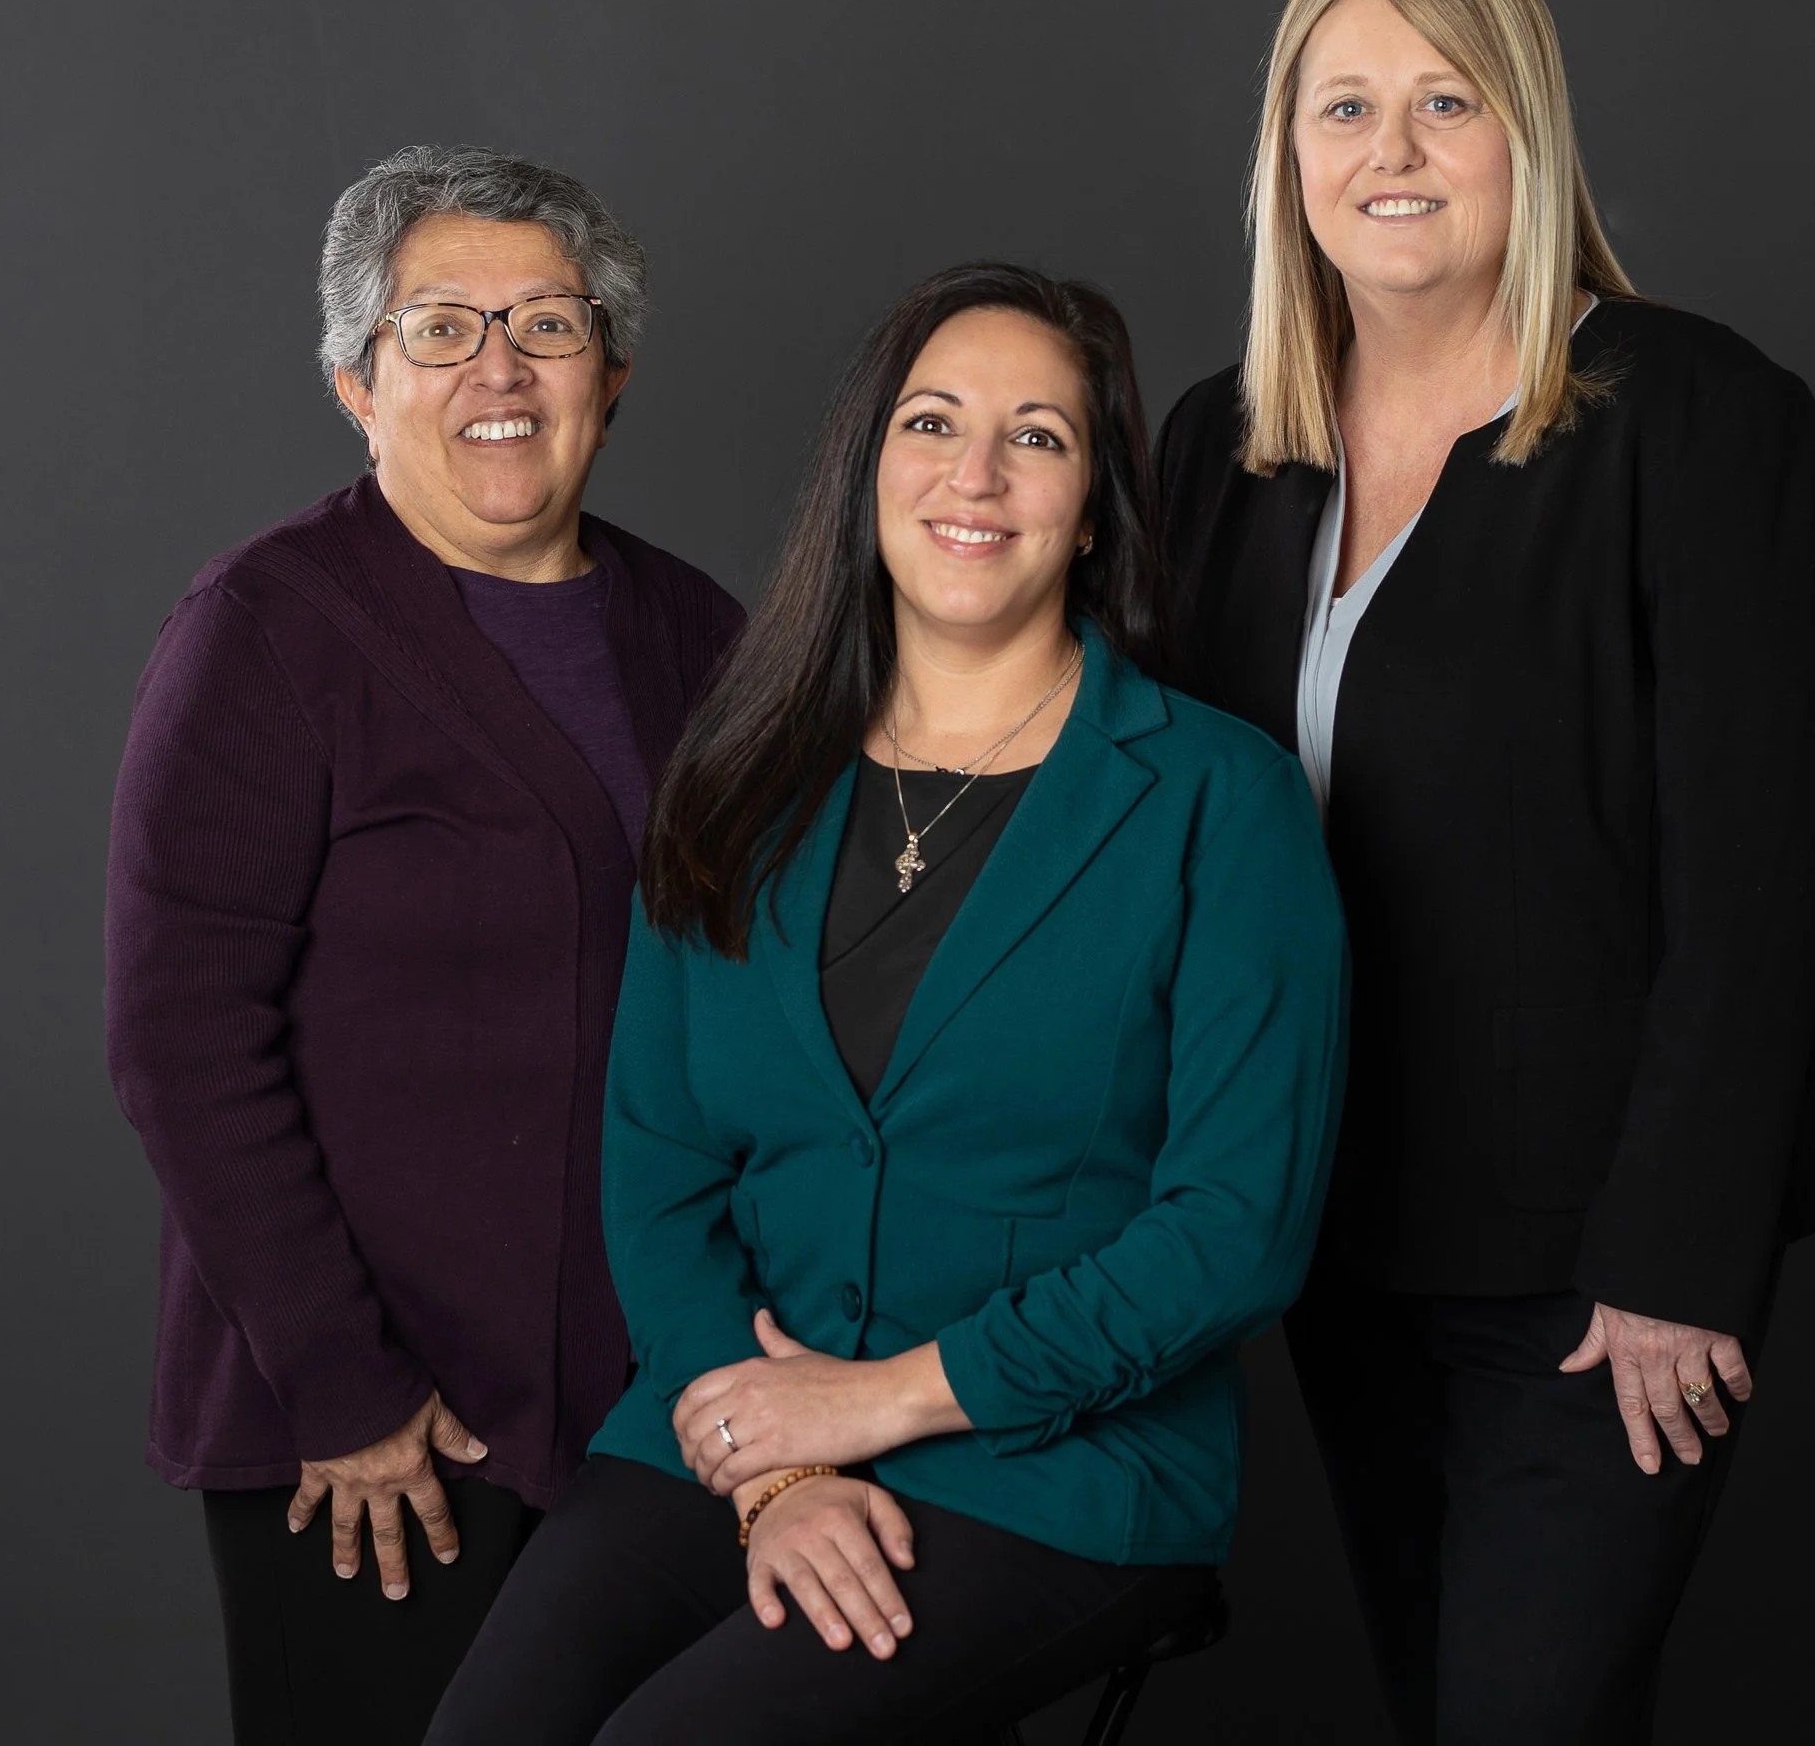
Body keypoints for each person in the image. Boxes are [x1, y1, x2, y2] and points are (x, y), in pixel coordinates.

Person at [427, 264, 1348, 1744]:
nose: (974, 476)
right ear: (869, 472)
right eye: (933, 424)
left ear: (1099, 502)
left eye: (1038, 437)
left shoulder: (1217, 804)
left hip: (1056, 1464)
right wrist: (782, 1464)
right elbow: (659, 1178)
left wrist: (889, 1403)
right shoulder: (737, 785)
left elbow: (1237, 1229)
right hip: (739, 1425)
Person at [1154, 0, 1815, 1741]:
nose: (1391, 151)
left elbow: (1763, 879)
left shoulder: (1692, 417)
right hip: (1333, 1227)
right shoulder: (1222, 448)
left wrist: (1678, 1259)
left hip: (1599, 1263)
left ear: (1526, 134)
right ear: (1286, 155)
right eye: (1347, 107)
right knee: (1433, 1700)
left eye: (1444, 101)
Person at [105, 144, 743, 1745]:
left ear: (617, 366)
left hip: (652, 1412)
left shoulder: (703, 634)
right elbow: (182, 1040)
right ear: (354, 378)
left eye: (549, 322)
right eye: (440, 328)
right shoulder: (265, 632)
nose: (501, 370)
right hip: (373, 1439)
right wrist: (346, 1384)